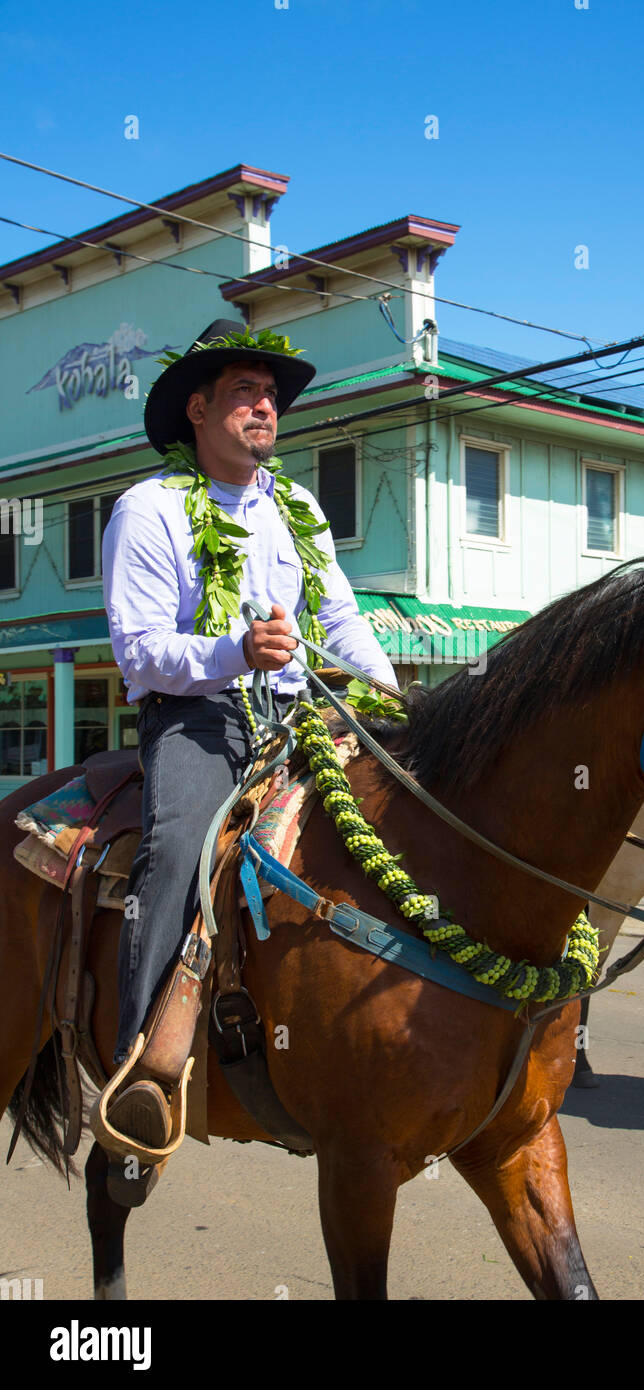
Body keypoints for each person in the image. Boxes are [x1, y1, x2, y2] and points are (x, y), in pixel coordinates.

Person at [98, 318, 397, 1158]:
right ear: (197, 410)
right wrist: (234, 652)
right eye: (244, 393)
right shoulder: (148, 509)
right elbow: (141, 650)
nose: (265, 408)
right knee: (180, 846)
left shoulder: (296, 507)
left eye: (270, 396)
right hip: (198, 715)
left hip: (300, 710)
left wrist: (387, 696)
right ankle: (141, 1068)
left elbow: (338, 613)